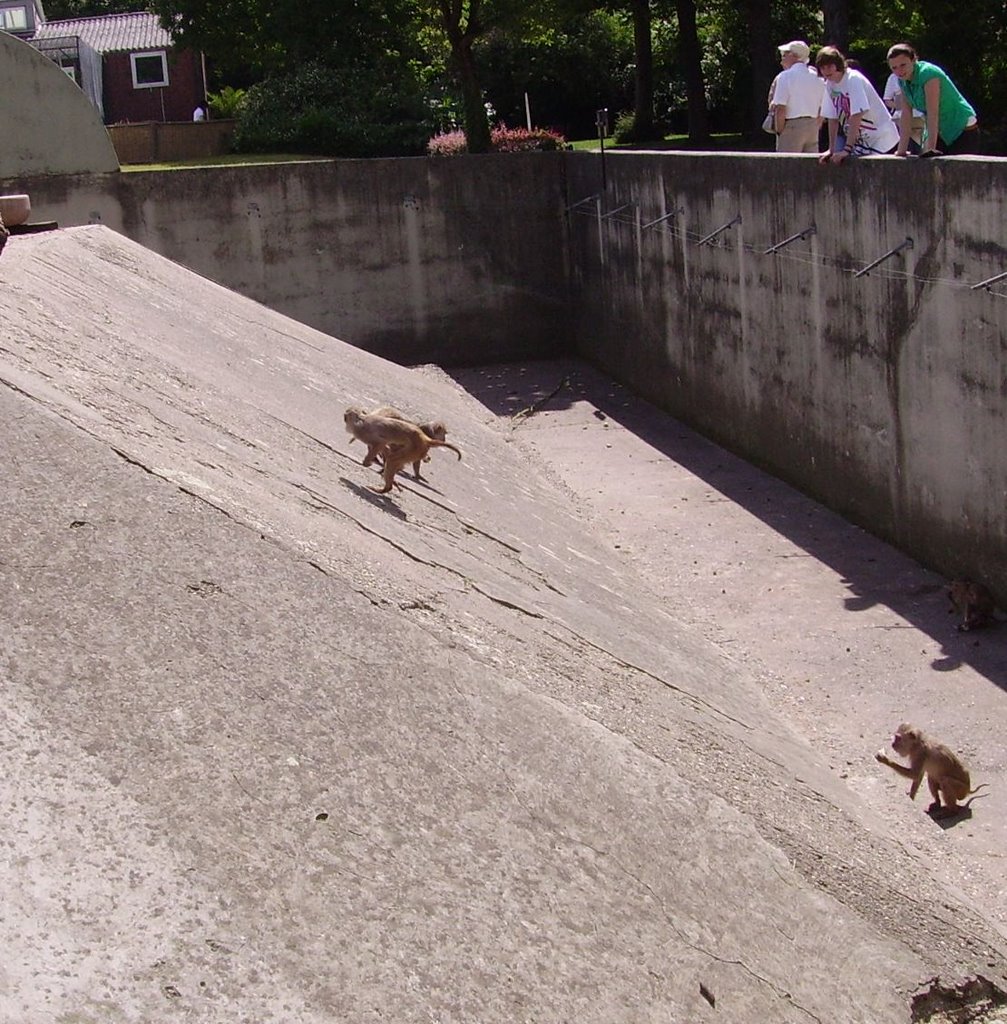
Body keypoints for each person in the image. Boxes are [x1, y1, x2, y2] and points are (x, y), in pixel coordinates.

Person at [886, 43, 979, 156]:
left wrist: (931, 149)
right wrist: (901, 150)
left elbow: (933, 112)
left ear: (913, 60)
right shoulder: (902, 80)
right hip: (940, 130)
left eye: (903, 65)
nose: (899, 71)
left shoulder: (928, 73)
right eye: (894, 68)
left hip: (961, 127)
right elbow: (906, 114)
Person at [815, 46, 899, 164]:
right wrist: (831, 149)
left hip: (882, 139)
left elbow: (857, 114)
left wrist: (847, 149)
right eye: (822, 67)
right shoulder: (830, 84)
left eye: (829, 66)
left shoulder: (853, 78)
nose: (826, 71)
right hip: (862, 143)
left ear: (838, 64)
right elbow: (832, 118)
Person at [771, 40, 825, 153]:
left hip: (791, 126)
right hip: (812, 127)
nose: (782, 57)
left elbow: (780, 108)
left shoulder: (785, 77)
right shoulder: (818, 78)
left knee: (788, 167)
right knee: (809, 166)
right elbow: (822, 108)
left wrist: (780, 131)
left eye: (785, 54)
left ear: (794, 56)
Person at [883, 71, 923, 150]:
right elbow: (887, 100)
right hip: (900, 118)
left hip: (920, 117)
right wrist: (902, 106)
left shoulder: (921, 74)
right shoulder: (893, 77)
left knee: (921, 147)